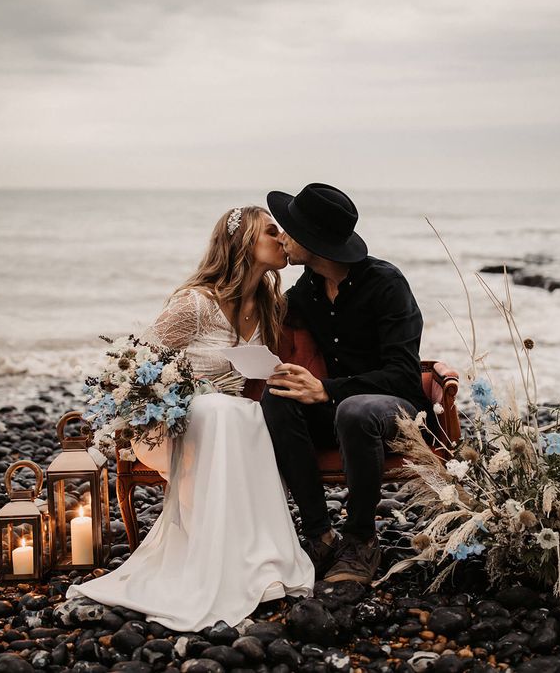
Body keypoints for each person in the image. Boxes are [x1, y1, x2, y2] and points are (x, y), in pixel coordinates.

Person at [68, 206, 314, 632]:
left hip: (229, 421)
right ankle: (213, 566)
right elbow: (135, 364)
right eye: (271, 232)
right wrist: (164, 403)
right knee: (221, 410)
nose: (282, 238)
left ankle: (251, 558)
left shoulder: (271, 304)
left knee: (247, 413)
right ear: (242, 245)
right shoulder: (195, 303)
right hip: (172, 420)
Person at [261, 183, 430, 585]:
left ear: (314, 242)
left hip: (395, 411)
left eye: (288, 230)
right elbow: (261, 315)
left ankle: (361, 540)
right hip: (337, 413)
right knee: (278, 396)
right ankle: (319, 535)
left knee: (355, 409)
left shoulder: (387, 285)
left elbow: (405, 375)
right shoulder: (310, 288)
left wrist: (327, 389)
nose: (282, 237)